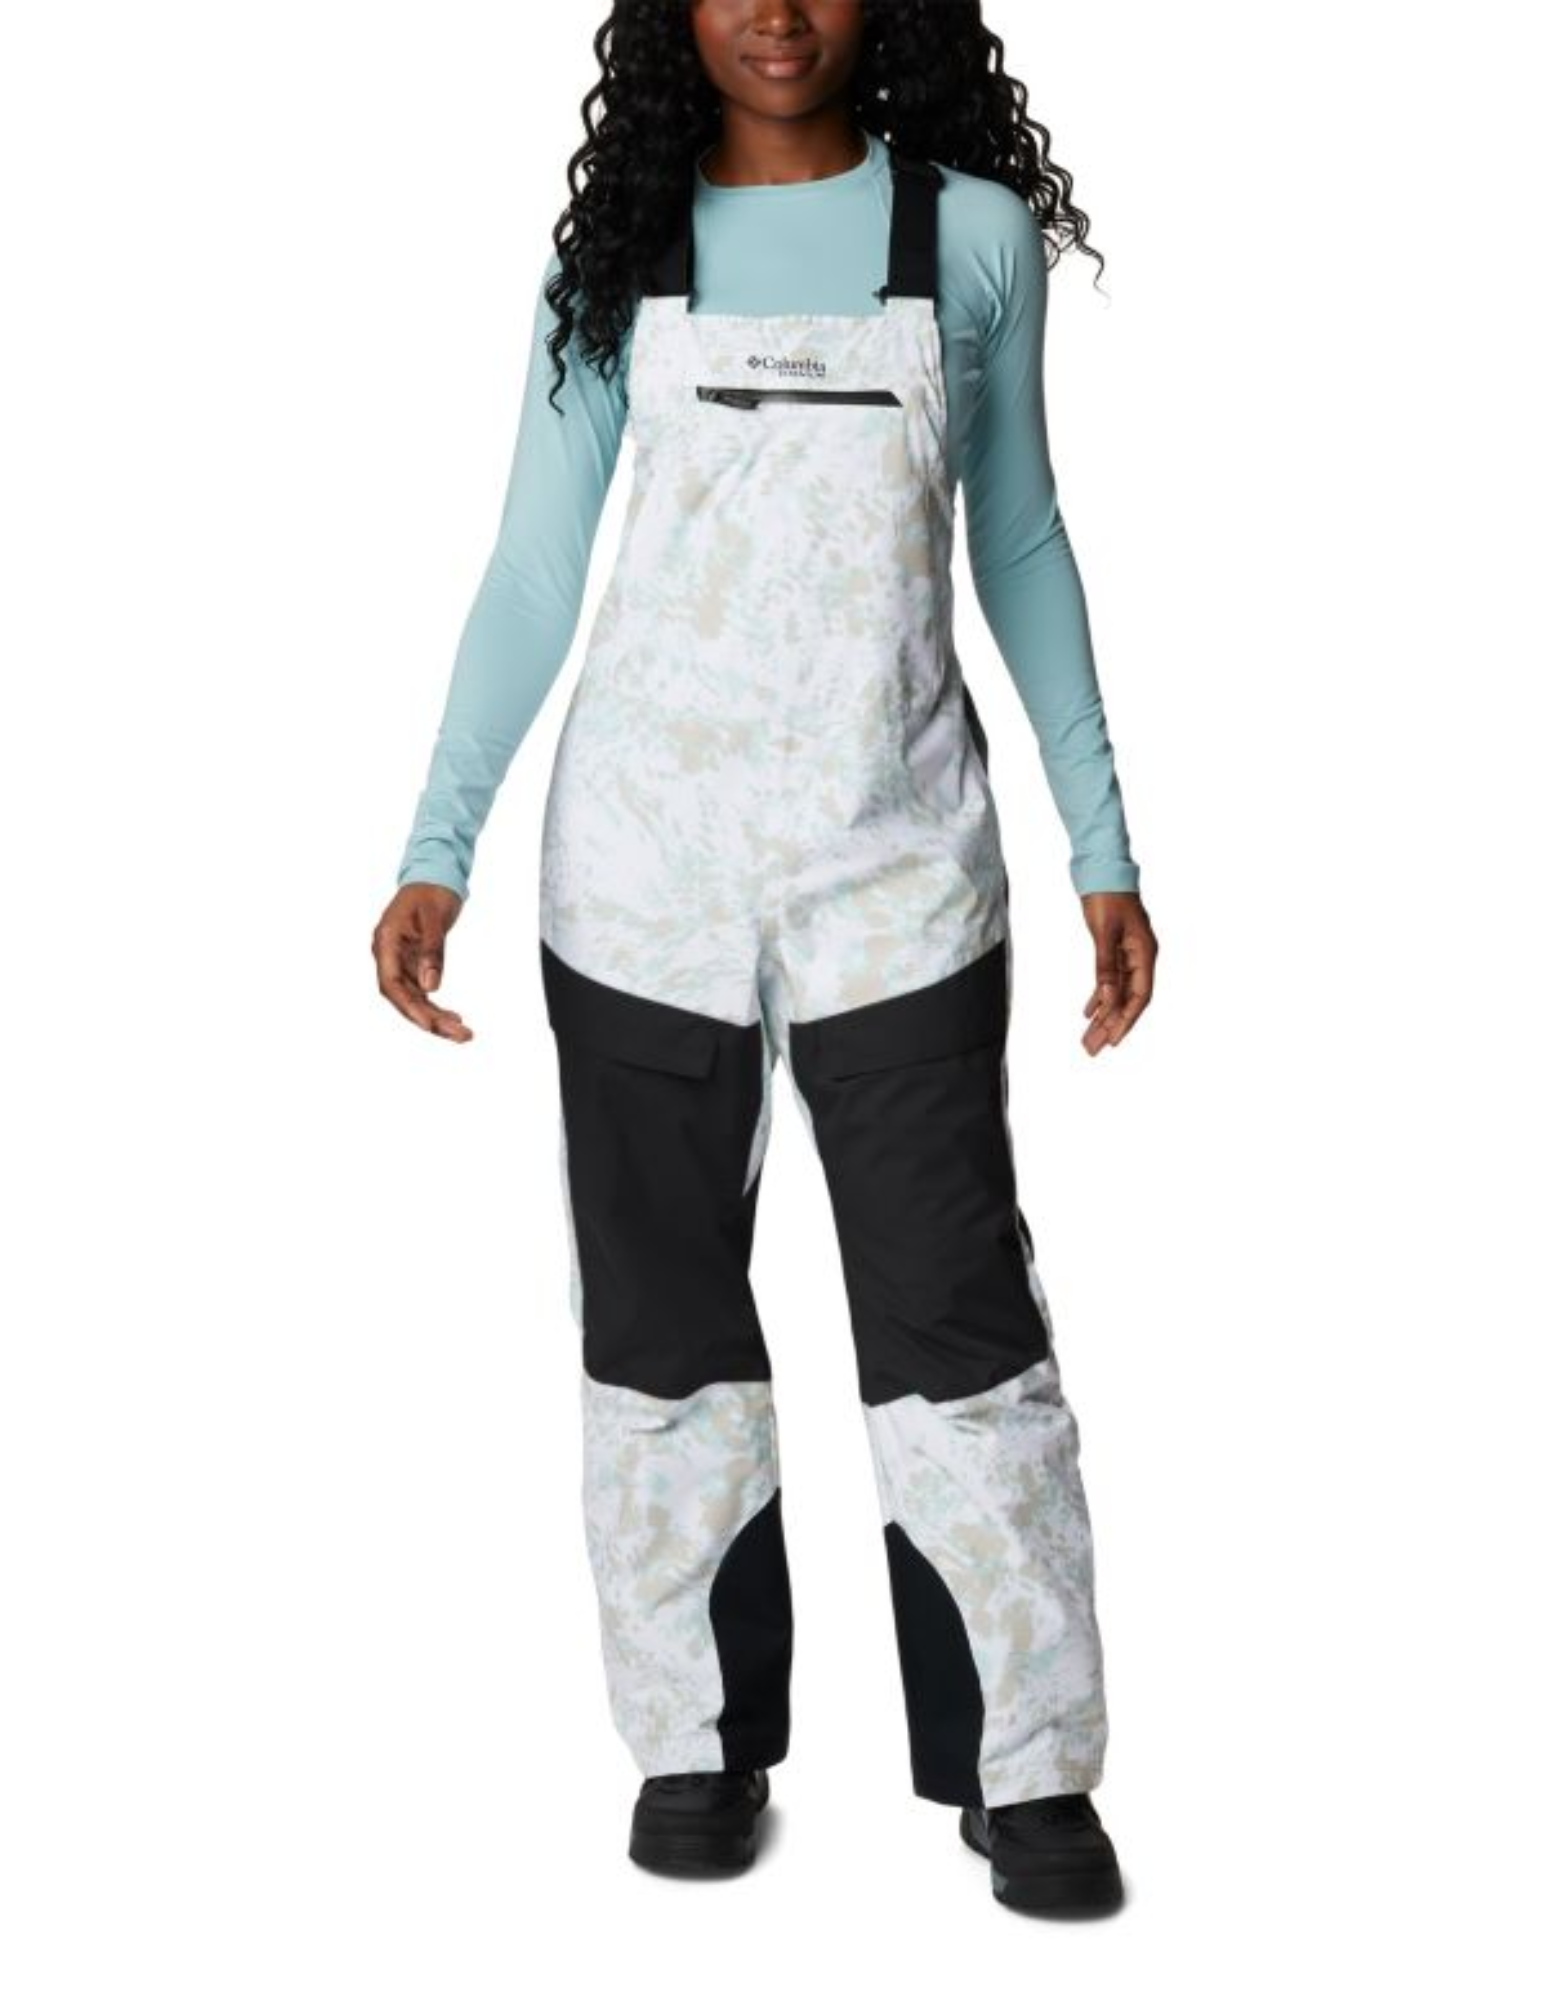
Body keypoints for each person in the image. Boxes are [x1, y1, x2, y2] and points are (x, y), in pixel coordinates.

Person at [372, 0, 1158, 1917]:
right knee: (659, 1329)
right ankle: (697, 1742)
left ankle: (1027, 1771)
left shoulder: (970, 236)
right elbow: (534, 567)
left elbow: (1024, 541)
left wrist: (1103, 842)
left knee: (959, 1329)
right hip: (641, 881)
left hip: (902, 873)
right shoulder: (618, 246)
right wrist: (435, 846)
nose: (777, 11)